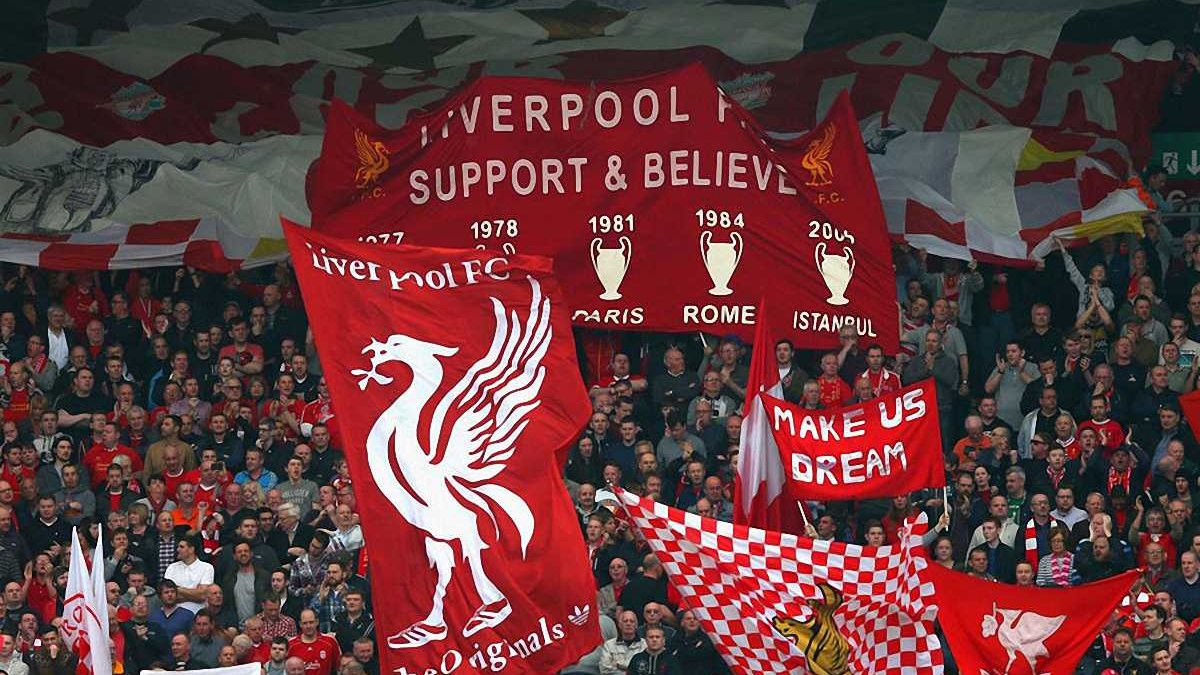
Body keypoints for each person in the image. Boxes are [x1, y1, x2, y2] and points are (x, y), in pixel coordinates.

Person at [600, 610, 646, 675]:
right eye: (625, 621)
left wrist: (619, 666)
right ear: (619, 625)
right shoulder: (609, 645)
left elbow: (645, 669)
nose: (628, 624)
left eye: (632, 621)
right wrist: (630, 671)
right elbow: (604, 669)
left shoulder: (645, 645)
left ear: (636, 625)